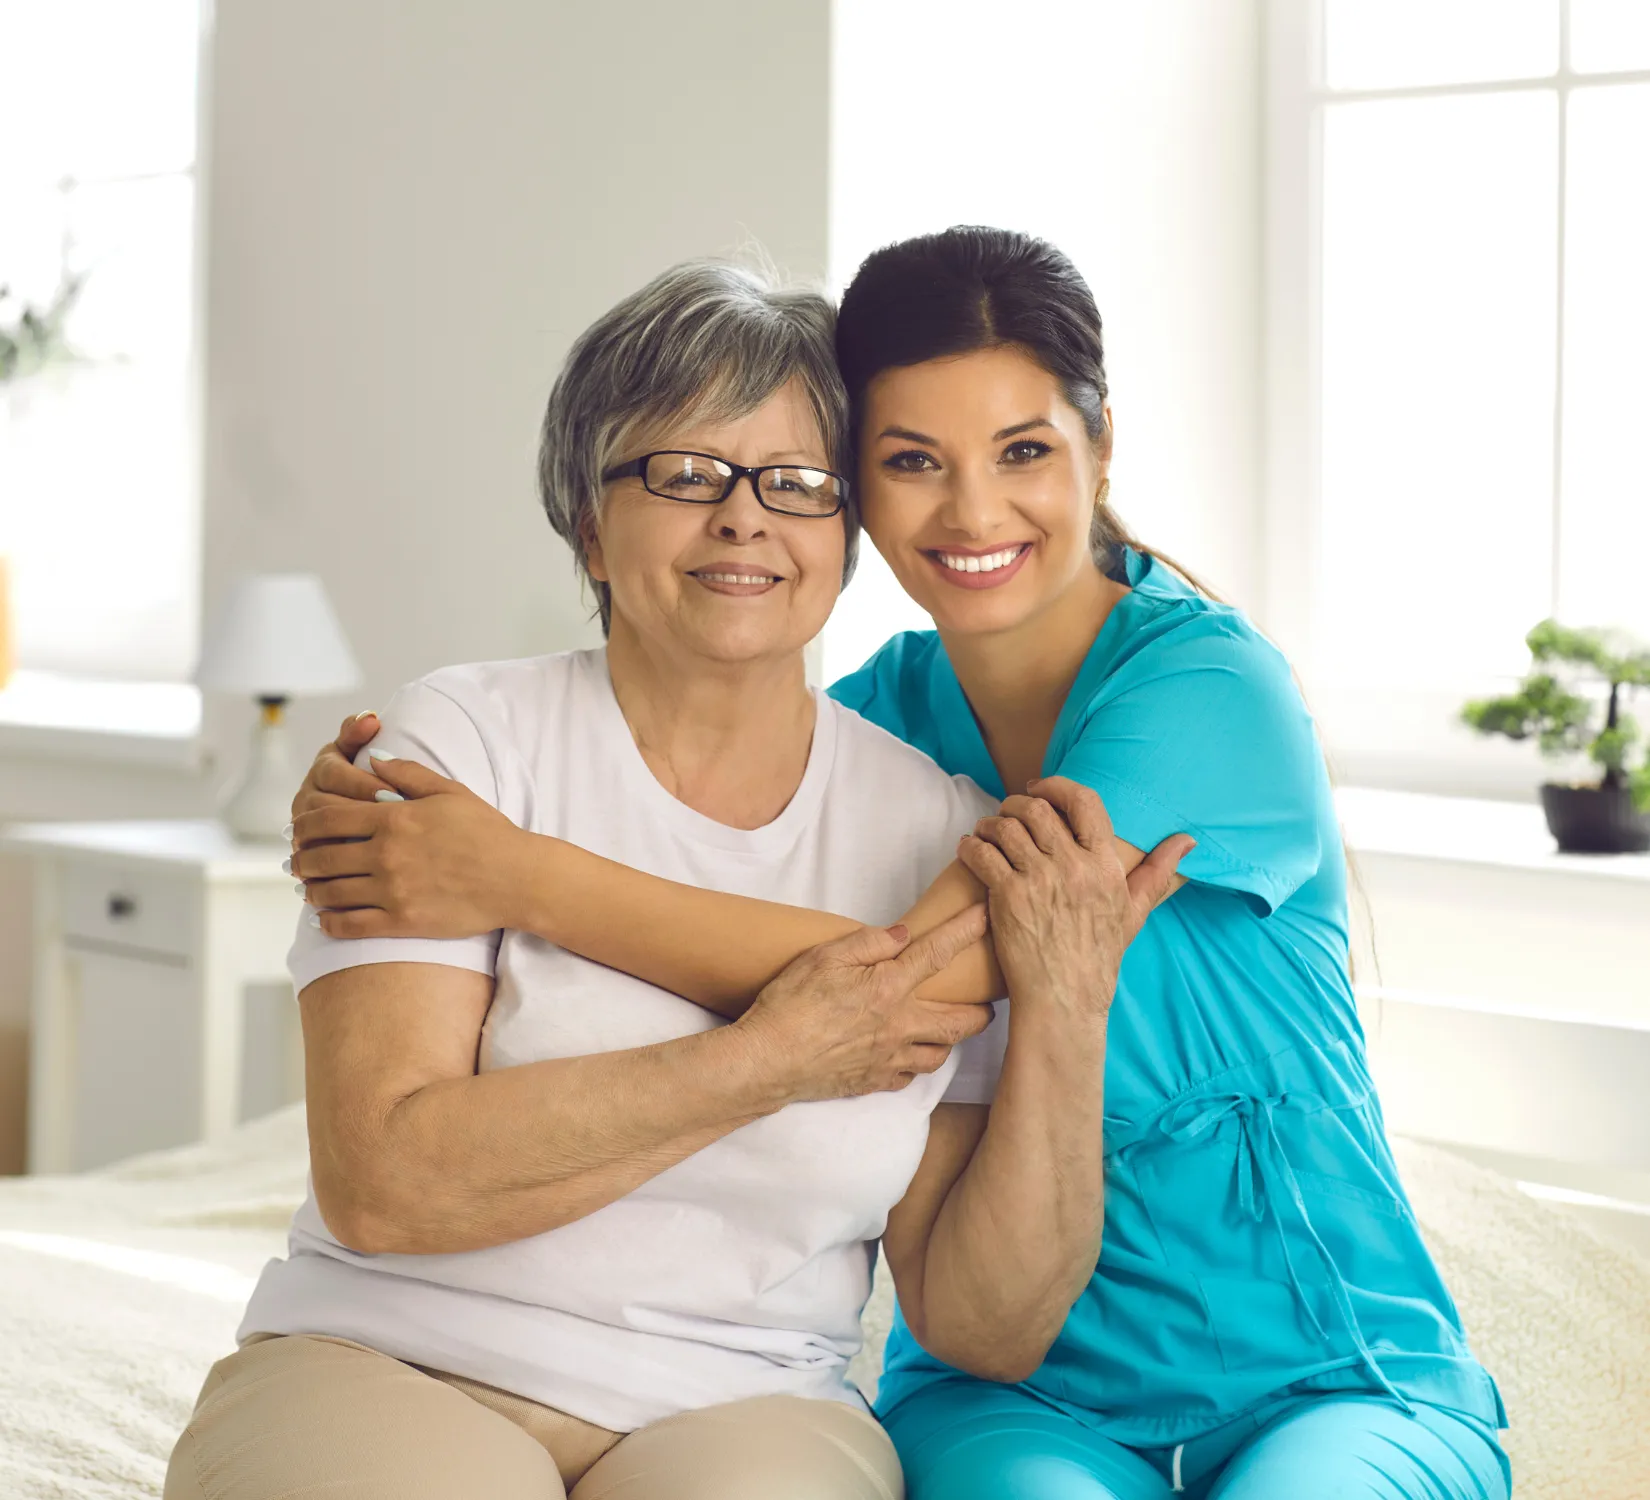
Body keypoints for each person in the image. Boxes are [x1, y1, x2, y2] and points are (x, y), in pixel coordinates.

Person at [291, 227, 1512, 1500]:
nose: (974, 511)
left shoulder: (1207, 690)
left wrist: (515, 876)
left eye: (1024, 451)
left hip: (1311, 1367)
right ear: (860, 494)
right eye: (911, 462)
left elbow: (918, 987)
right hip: (1014, 1386)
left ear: (1103, 449)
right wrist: (373, 823)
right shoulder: (882, 738)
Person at [165, 258, 1188, 1500]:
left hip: (751, 1401)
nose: (743, 518)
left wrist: (1067, 1008)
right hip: (392, 1358)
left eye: (797, 483)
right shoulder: (460, 748)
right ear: (589, 522)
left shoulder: (940, 832)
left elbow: (985, 1325)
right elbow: (387, 1181)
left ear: (845, 535)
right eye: (685, 474)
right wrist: (769, 1060)